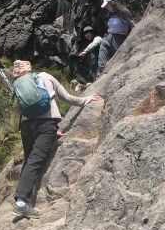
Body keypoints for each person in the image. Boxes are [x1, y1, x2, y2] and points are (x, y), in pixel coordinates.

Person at [11, 60, 102, 218]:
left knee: (29, 159)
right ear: (30, 68)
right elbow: (66, 97)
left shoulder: (18, 83)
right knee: (36, 159)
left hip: (26, 126)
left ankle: (22, 195)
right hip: (46, 123)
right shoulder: (45, 76)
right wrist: (85, 100)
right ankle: (21, 202)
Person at [95, 0, 136, 77]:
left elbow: (133, 25)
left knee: (118, 59)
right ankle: (101, 75)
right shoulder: (110, 15)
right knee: (102, 56)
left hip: (119, 38)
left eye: (107, 5)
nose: (106, 7)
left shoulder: (124, 13)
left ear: (112, 3)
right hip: (108, 37)